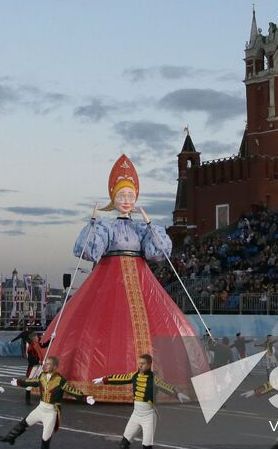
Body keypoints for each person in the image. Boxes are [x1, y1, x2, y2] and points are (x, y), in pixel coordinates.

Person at [40, 155, 208, 402]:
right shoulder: (107, 226)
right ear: (113, 198)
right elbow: (89, 251)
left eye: (130, 196)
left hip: (141, 276)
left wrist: (151, 225)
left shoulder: (141, 228)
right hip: (109, 276)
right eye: (121, 196)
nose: (126, 201)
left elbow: (158, 253)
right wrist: (94, 222)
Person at [95, 353, 191, 449]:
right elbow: (120, 378)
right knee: (125, 440)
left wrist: (177, 394)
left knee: (146, 444)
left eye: (143, 363)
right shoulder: (134, 375)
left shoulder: (154, 378)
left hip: (149, 416)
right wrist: (104, 379)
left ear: (150, 364)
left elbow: (165, 386)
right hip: (136, 414)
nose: (140, 365)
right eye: (139, 363)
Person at [0, 356, 93, 449]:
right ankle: (10, 437)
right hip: (40, 408)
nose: (45, 365)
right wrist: (19, 382)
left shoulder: (60, 380)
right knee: (24, 423)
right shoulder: (42, 375)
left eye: (48, 364)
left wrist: (85, 398)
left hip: (51, 412)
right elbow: (32, 382)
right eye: (45, 363)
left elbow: (72, 390)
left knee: (45, 437)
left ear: (55, 367)